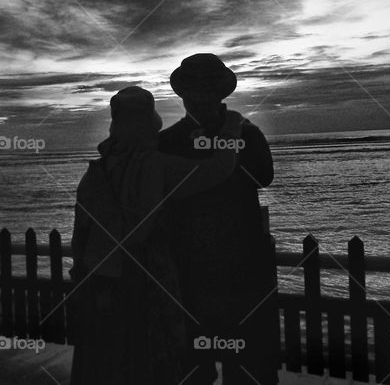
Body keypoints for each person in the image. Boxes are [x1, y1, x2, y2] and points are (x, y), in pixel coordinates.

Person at [69, 85, 246, 384]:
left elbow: (80, 236)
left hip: (98, 283)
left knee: (104, 365)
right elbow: (217, 170)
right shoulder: (153, 164)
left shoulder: (95, 172)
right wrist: (232, 126)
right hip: (143, 282)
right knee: (149, 362)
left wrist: (81, 276)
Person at [158, 54, 279, 385]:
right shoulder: (241, 132)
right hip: (195, 271)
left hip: (236, 269)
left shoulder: (172, 141)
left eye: (205, 91)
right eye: (195, 91)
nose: (199, 98)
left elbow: (264, 175)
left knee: (249, 368)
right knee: (198, 368)